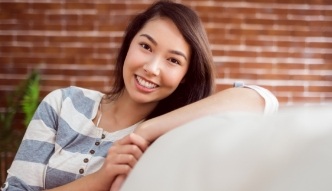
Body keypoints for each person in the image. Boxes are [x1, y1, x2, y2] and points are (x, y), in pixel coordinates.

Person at [1, 1, 278, 191]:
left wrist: (147, 129)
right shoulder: (64, 103)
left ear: (186, 76)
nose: (152, 68)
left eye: (173, 60)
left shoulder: (169, 131)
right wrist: (102, 178)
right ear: (128, 44)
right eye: (146, 46)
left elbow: (260, 100)